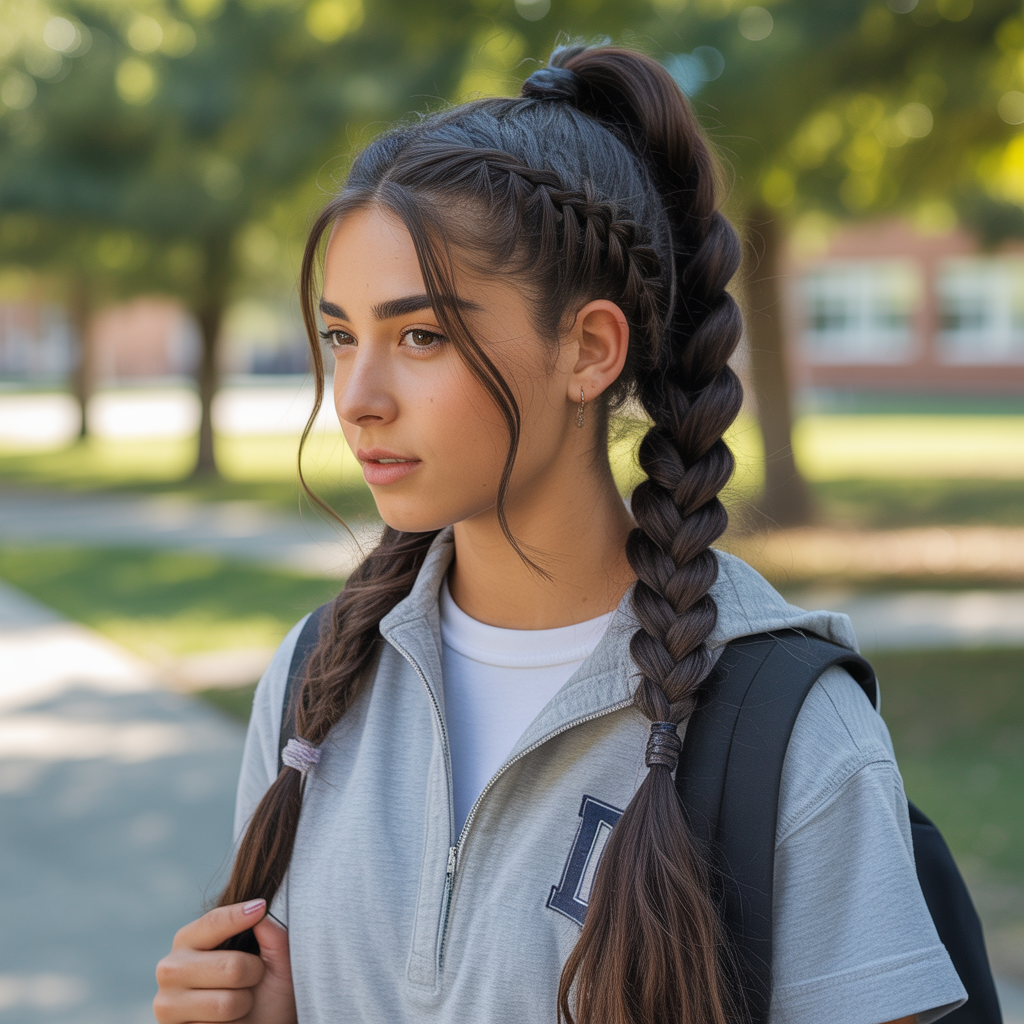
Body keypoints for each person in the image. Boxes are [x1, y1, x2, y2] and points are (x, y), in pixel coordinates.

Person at [153, 44, 968, 1024]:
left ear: (588, 349)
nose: (357, 399)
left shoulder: (787, 730)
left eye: (420, 336)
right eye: (340, 336)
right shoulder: (313, 680)